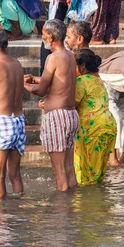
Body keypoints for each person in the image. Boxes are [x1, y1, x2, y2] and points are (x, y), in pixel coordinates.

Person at [23, 19, 79, 191]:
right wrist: (34, 79)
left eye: (44, 34)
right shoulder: (70, 56)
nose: (42, 38)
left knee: (58, 170)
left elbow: (41, 90)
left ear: (52, 36)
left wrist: (23, 85)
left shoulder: (52, 58)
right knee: (69, 169)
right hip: (71, 116)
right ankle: (74, 212)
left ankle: (61, 215)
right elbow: (57, 81)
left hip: (57, 117)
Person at [73, 49, 117, 185]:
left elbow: (72, 105)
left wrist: (50, 105)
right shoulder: (98, 80)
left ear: (82, 67)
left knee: (85, 176)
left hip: (93, 131)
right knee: (97, 175)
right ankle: (100, 205)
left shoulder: (81, 81)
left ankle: (86, 205)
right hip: (108, 127)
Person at [0, 30, 25, 199]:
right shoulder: (17, 64)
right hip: (18, 121)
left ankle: (2, 219)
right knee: (14, 174)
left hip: (2, 121)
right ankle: (19, 212)